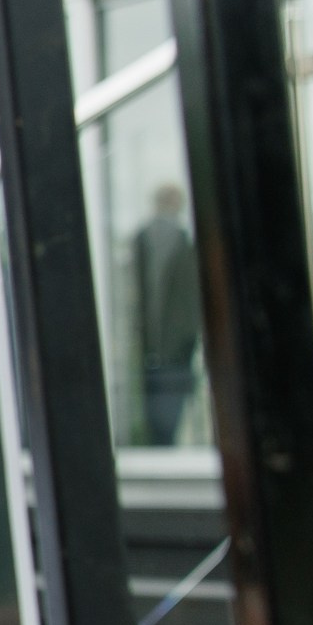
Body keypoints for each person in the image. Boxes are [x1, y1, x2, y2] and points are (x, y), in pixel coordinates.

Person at [133, 182, 202, 445]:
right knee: (166, 410)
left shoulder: (146, 239)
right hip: (176, 345)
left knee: (159, 408)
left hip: (159, 345)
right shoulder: (179, 241)